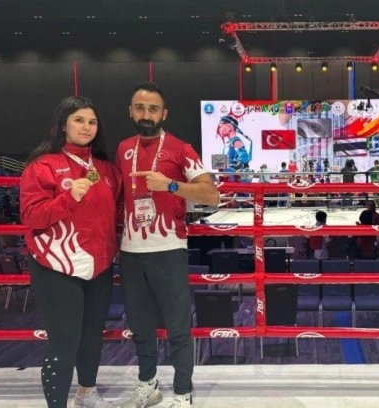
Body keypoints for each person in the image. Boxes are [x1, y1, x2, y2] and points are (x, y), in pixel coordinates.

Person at [116, 82, 219, 408]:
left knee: (177, 327)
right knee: (139, 326)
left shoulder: (180, 149)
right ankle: (148, 384)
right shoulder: (123, 149)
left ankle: (183, 393)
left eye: (153, 109)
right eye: (140, 108)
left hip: (169, 248)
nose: (146, 114)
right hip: (131, 250)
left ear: (164, 113)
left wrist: (172, 186)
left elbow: (211, 195)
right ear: (131, 111)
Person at [20, 96, 121, 408]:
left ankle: (87, 394)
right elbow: (32, 217)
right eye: (79, 120)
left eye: (92, 122)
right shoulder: (42, 166)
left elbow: (116, 216)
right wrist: (68, 198)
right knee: (64, 341)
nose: (86, 127)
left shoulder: (106, 170)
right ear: (63, 124)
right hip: (56, 266)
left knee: (92, 336)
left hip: (99, 266)